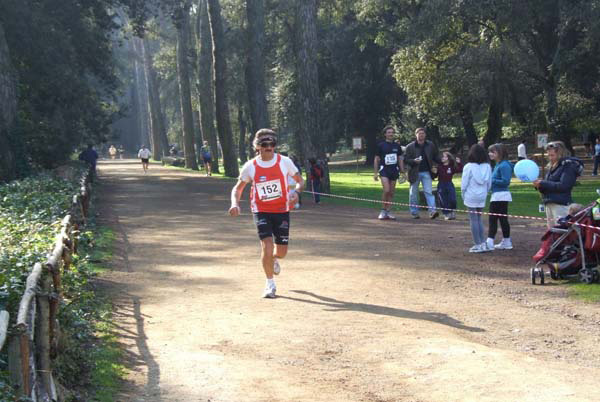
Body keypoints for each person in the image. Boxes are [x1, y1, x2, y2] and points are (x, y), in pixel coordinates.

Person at [229, 129, 303, 299]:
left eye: (272, 144)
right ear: (257, 147)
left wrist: (297, 193)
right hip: (261, 210)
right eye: (264, 144)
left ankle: (273, 259)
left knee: (281, 252)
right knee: (267, 245)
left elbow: (300, 181)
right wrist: (234, 203)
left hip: (282, 210)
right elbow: (238, 188)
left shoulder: (284, 162)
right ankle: (270, 284)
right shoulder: (250, 166)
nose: (269, 147)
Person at [533, 141, 583, 229]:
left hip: (561, 205)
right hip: (549, 203)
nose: (550, 158)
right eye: (549, 155)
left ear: (560, 154)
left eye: (552, 155)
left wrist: (543, 183)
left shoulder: (568, 166)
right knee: (551, 233)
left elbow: (563, 186)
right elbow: (549, 184)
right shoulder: (553, 166)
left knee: (560, 233)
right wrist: (539, 186)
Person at [461, 144, 492, 253]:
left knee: (473, 219)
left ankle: (478, 244)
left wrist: (463, 194)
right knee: (479, 218)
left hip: (471, 194)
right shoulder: (487, 166)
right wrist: (485, 192)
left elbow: (464, 184)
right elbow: (489, 183)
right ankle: (483, 243)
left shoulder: (468, 166)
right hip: (482, 195)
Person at [404, 127, 441, 219]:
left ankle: (432, 211)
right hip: (414, 173)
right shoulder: (410, 146)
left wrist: (441, 163)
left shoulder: (430, 145)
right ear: (416, 135)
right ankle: (414, 212)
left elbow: (436, 156)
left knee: (429, 192)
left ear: (425, 135)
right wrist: (413, 161)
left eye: (423, 133)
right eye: (419, 133)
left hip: (427, 172)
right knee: (413, 193)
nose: (421, 135)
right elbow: (405, 159)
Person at [486, 143, 514, 250]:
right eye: (490, 152)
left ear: (500, 153)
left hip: (500, 195)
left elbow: (505, 181)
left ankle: (490, 241)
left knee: (494, 219)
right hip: (497, 195)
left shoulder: (504, 165)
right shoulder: (498, 165)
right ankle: (506, 241)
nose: (490, 154)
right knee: (501, 219)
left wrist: (491, 180)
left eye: (493, 152)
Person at [373, 126, 404, 220]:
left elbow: (400, 158)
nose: (391, 134)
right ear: (385, 134)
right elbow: (376, 159)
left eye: (392, 132)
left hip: (394, 170)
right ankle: (383, 210)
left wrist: (403, 171)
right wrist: (375, 173)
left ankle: (388, 211)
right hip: (384, 170)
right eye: (389, 132)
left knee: (391, 192)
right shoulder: (381, 145)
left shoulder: (397, 146)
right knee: (386, 190)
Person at [436, 152, 462, 220]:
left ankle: (452, 211)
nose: (442, 158)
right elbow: (434, 175)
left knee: (452, 199)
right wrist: (433, 172)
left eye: (444, 157)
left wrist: (459, 163)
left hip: (449, 184)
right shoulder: (439, 166)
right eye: (442, 157)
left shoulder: (451, 166)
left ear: (448, 158)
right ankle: (446, 214)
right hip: (441, 184)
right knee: (443, 200)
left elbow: (459, 170)